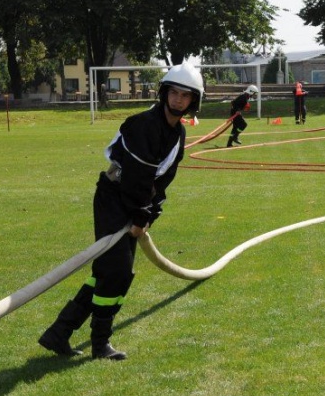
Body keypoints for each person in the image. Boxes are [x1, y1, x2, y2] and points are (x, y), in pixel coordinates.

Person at [38, 63, 204, 360]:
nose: (178, 100)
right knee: (117, 272)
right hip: (114, 198)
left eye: (185, 95)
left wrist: (151, 214)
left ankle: (59, 333)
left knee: (108, 273)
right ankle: (99, 344)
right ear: (164, 93)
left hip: (134, 202)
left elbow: (163, 179)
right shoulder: (143, 124)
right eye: (174, 93)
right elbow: (137, 177)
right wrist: (141, 215)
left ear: (193, 100)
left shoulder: (178, 133)